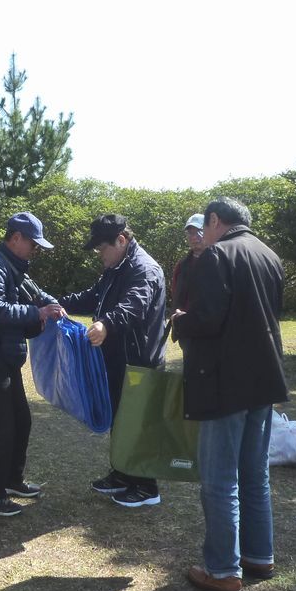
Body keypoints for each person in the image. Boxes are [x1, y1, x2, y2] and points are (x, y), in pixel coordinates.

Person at [172, 197, 288, 591]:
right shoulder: (270, 255)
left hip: (225, 381)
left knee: (219, 479)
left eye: (205, 226)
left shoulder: (217, 255)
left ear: (215, 221)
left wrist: (181, 321)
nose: (202, 235)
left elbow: (208, 318)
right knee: (255, 473)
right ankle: (259, 556)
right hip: (264, 379)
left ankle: (222, 570)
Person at [58, 214, 167, 508]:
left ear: (121, 240)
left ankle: (146, 487)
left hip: (140, 362)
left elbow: (135, 305)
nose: (99, 254)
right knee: (119, 419)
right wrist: (57, 304)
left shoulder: (144, 269)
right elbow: (93, 296)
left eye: (101, 248)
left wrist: (106, 323)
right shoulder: (115, 268)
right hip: (118, 360)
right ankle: (122, 473)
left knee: (139, 423)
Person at [0, 212, 65, 517]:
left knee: (21, 421)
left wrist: (55, 306)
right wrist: (38, 314)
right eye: (34, 244)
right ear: (17, 238)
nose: (36, 250)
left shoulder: (16, 267)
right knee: (0, 427)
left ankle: (11, 480)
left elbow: (37, 296)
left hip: (6, 356)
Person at [171, 213, 206, 315]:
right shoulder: (182, 265)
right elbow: (175, 294)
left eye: (199, 232)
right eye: (190, 233)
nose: (194, 237)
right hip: (181, 321)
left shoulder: (217, 263)